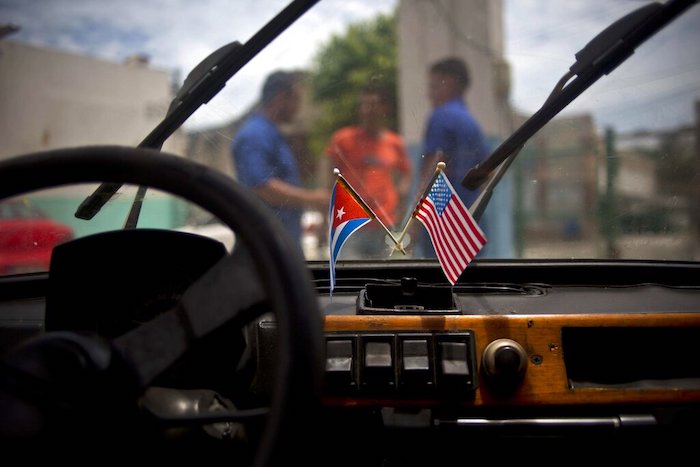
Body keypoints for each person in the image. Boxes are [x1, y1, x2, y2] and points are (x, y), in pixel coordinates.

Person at [231, 70, 329, 244]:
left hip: (280, 242)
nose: (298, 107)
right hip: (265, 247)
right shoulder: (255, 134)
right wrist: (314, 199)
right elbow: (262, 187)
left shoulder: (272, 133)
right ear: (281, 97)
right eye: (297, 100)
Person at [322, 82, 413, 257]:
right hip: (351, 224)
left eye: (373, 104)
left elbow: (407, 172)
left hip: (386, 224)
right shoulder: (343, 139)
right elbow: (328, 172)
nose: (367, 110)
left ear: (384, 108)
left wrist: (402, 191)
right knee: (351, 277)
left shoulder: (395, 143)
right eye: (364, 105)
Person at [417, 56, 492, 257]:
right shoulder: (472, 124)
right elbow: (488, 173)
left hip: (443, 223)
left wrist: (415, 220)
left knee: (437, 283)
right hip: (472, 220)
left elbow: (432, 169)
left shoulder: (441, 116)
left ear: (449, 82)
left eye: (433, 86)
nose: (428, 94)